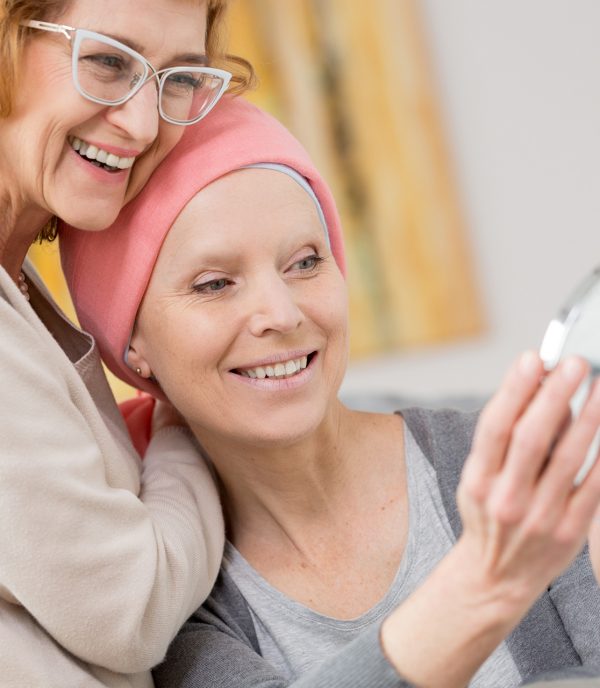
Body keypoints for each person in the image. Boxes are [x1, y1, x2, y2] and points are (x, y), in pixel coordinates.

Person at [61, 97, 600, 688]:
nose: (281, 313)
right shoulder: (174, 600)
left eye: (304, 262)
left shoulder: (525, 471)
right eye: (214, 284)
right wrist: (487, 583)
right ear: (130, 342)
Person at [0, 1, 254, 686]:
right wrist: (182, 421)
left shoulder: (16, 282)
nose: (144, 125)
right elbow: (128, 607)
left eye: (177, 79)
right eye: (109, 61)